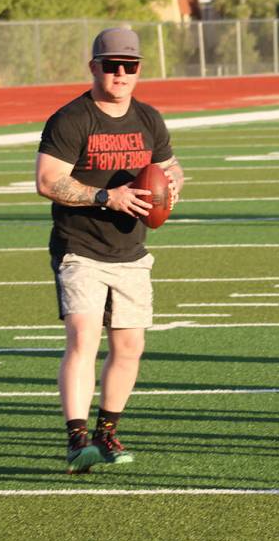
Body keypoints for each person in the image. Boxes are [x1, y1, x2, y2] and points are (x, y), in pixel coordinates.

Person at [35, 27, 184, 473]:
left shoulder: (149, 118)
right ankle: (76, 439)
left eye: (130, 66)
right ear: (94, 66)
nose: (120, 74)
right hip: (79, 247)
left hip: (131, 251)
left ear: (139, 70)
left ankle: (107, 433)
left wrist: (174, 184)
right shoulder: (72, 118)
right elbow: (47, 180)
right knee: (83, 337)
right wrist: (107, 197)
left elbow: (169, 164)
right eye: (111, 65)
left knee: (130, 345)